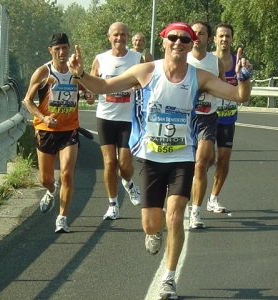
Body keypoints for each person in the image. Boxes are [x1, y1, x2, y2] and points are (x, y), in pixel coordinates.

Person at [67, 21, 252, 299]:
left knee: (175, 216)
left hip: (183, 157)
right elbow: (104, 86)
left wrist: (245, 77)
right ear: (164, 42)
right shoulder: (146, 71)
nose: (179, 43)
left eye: (185, 39)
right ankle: (153, 232)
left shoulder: (198, 77)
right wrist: (80, 74)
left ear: (191, 46)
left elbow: (239, 96)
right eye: (173, 38)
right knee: (152, 224)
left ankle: (169, 279)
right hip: (151, 159)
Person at [23, 33, 94, 233]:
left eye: (65, 48)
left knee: (66, 174)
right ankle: (51, 191)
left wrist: (87, 94)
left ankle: (62, 218)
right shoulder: (43, 73)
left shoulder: (75, 71)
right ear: (51, 51)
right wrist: (44, 118)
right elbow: (27, 100)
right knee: (45, 179)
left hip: (69, 130)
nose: (62, 52)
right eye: (58, 49)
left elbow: (85, 88)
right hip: (45, 130)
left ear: (69, 48)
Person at [90, 22, 143, 220]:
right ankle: (113, 204)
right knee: (110, 162)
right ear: (108, 37)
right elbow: (92, 82)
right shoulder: (100, 59)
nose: (119, 38)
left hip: (128, 119)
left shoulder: (137, 58)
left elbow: (146, 81)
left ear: (128, 37)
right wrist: (88, 93)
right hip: (106, 117)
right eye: (115, 35)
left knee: (125, 167)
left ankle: (129, 184)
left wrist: (140, 89)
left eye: (123, 35)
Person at [186, 21, 226, 229]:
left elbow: (223, 86)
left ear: (208, 39)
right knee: (184, 165)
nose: (197, 36)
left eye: (201, 34)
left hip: (207, 117)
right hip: (183, 118)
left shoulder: (215, 61)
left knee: (201, 164)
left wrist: (213, 89)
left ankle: (195, 212)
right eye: (194, 33)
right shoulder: (183, 59)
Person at [208, 22, 241, 214]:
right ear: (214, 39)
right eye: (221, 36)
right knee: (206, 158)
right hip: (207, 117)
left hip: (228, 118)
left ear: (231, 39)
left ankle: (213, 198)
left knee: (224, 158)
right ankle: (191, 195)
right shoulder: (208, 62)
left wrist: (244, 76)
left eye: (227, 36)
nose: (224, 39)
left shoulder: (237, 62)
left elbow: (243, 88)